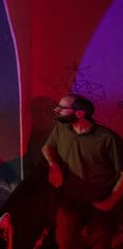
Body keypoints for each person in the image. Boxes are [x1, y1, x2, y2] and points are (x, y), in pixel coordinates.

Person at [42, 94, 123, 249]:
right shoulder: (62, 128)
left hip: (100, 198)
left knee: (100, 242)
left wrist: (110, 202)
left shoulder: (108, 139)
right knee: (65, 241)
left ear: (80, 113)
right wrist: (54, 165)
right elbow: (47, 147)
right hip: (70, 197)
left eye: (62, 108)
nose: (56, 110)